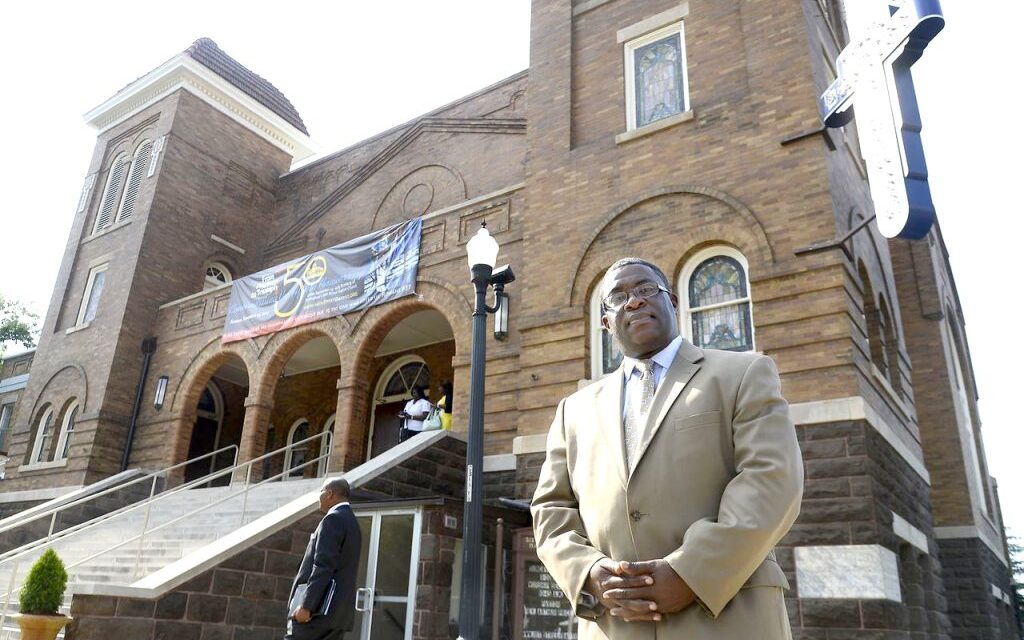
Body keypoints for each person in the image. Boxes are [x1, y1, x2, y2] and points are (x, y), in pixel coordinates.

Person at [531, 258, 803, 639]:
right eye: (619, 297)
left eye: (645, 290)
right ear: (606, 322)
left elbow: (771, 479)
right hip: (616, 624)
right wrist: (590, 575)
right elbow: (551, 510)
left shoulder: (742, 373)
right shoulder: (572, 410)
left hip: (728, 619)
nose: (635, 302)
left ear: (672, 302)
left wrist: (690, 573)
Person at [285, 477, 361, 640]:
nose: (318, 497)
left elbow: (323, 565)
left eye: (320, 492)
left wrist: (307, 605)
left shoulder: (332, 520)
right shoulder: (352, 522)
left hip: (317, 613)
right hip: (337, 615)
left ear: (330, 493)